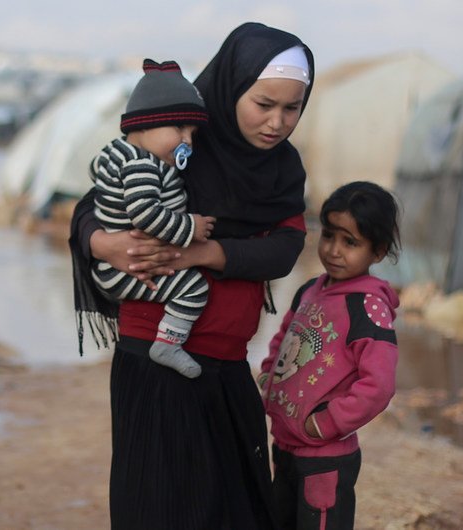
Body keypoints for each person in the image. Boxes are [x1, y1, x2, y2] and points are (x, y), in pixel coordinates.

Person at [69, 22, 314, 530]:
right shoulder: (178, 141)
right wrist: (104, 243)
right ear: (231, 86)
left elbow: (285, 250)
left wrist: (202, 253)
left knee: (237, 508)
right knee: (163, 507)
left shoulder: (283, 171)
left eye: (292, 108)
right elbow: (93, 208)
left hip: (227, 362)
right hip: (156, 362)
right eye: (263, 103)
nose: (277, 122)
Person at [259, 181, 402, 530]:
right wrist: (268, 378)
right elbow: (285, 339)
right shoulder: (310, 290)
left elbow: (378, 386)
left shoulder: (367, 308)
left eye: (350, 242)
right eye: (329, 235)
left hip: (325, 458)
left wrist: (326, 423)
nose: (334, 250)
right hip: (286, 443)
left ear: (378, 251)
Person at [87, 58, 215, 379]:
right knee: (195, 288)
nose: (188, 140)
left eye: (192, 131)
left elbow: (94, 170)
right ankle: (168, 343)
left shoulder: (116, 151)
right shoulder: (143, 164)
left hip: (113, 265)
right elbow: (146, 215)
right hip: (128, 268)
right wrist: (191, 228)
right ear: (143, 124)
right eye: (179, 128)